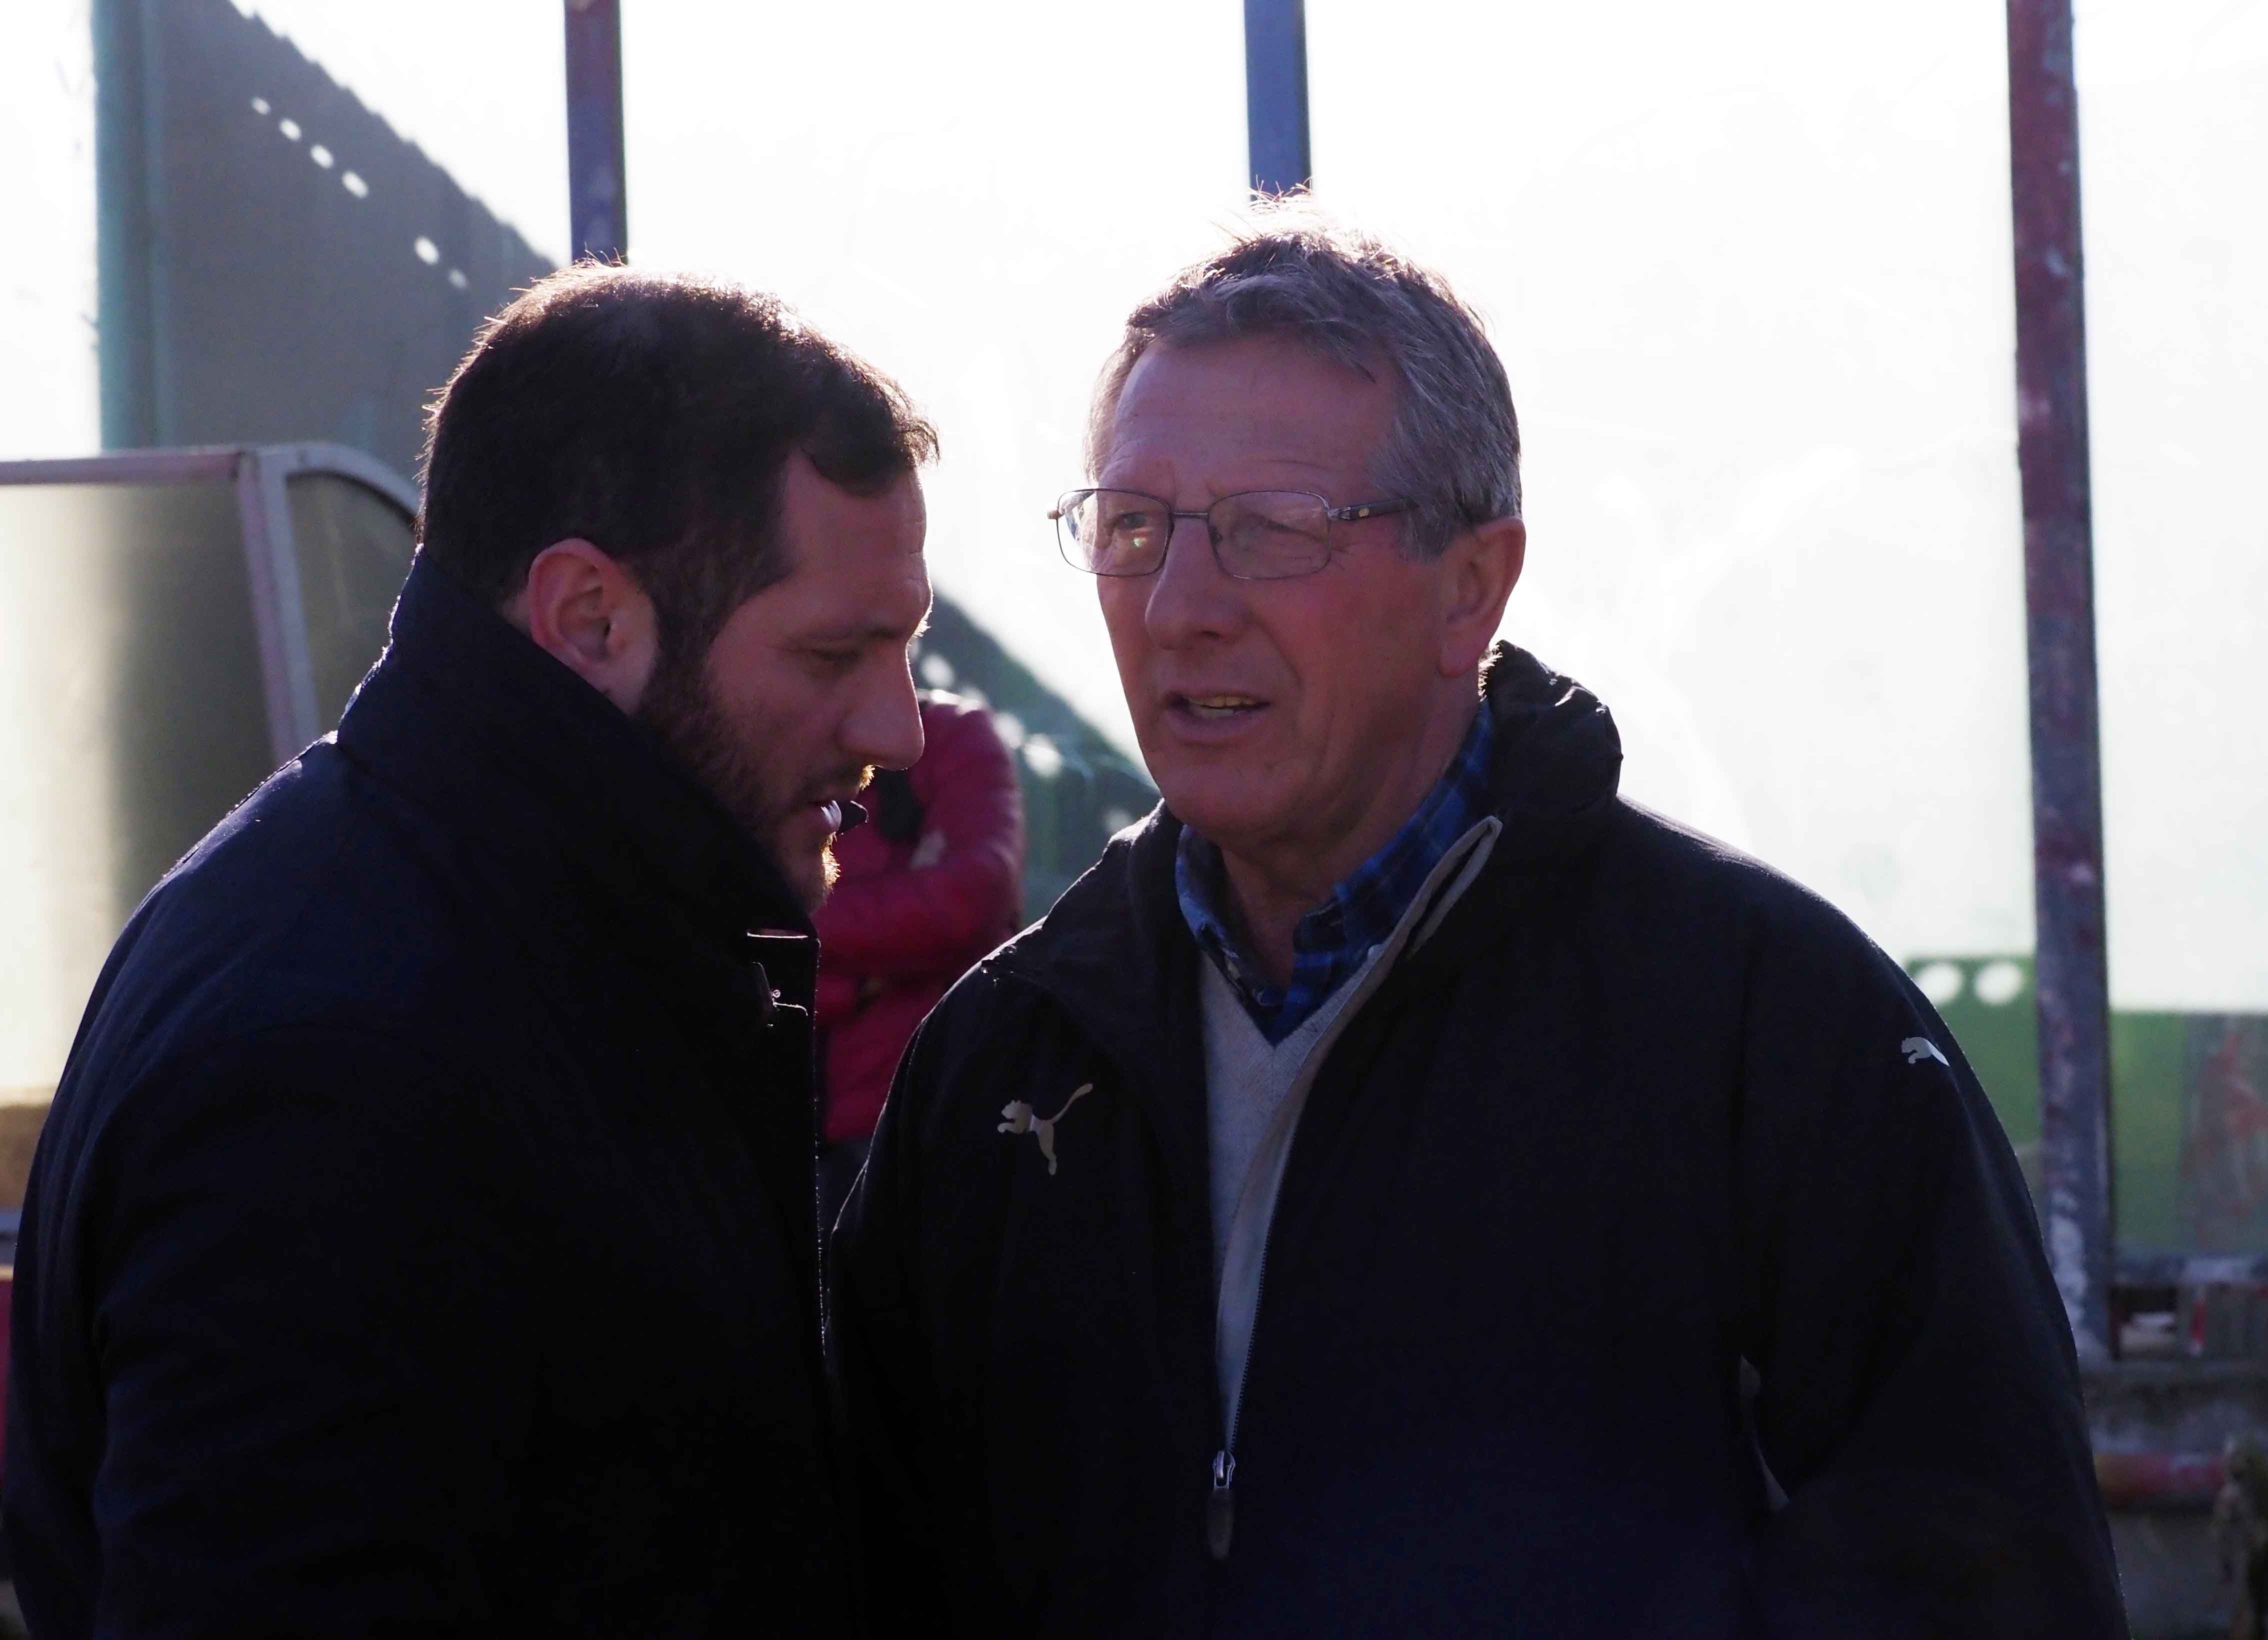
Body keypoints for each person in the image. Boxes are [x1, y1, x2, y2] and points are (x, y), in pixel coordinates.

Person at [832, 215, 2126, 1636]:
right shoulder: (1003, 1066)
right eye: (1134, 527)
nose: (1182, 606)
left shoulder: (1773, 1032)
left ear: (1473, 587)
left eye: (1272, 529)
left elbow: (1981, 1578)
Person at [4, 266, 934, 1635]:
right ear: (588, 619)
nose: (900, 729)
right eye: (835, 652)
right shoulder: (333, 1062)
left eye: (904, 646)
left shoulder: (563, 935)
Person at [814, 690, 1024, 1226]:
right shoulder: (775, 745)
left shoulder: (956, 736)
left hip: (920, 1121)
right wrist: (861, 982)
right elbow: (733, 919)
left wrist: (812, 948)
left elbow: (969, 904)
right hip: (778, 1121)